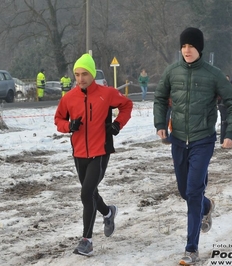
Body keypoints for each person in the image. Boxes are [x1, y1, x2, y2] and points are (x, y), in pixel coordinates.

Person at [153, 27, 232, 265]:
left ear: (199, 48)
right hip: (178, 140)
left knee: (192, 191)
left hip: (203, 140)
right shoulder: (172, 72)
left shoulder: (213, 75)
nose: (187, 50)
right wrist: (160, 123)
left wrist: (230, 133)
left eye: (191, 46)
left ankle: (191, 249)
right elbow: (160, 98)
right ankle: (206, 205)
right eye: (183, 46)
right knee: (185, 191)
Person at [54, 53, 133, 256]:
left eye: (85, 74)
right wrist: (69, 126)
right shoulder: (69, 97)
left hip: (100, 151)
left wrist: (117, 124)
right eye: (77, 74)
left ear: (92, 74)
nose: (80, 79)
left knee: (86, 193)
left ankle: (87, 241)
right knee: (91, 193)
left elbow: (127, 105)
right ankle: (108, 212)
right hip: (79, 153)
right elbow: (58, 120)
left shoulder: (106, 94)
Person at [218, 78, 232, 144]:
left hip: (222, 106)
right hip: (224, 106)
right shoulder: (228, 89)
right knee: (225, 123)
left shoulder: (225, 87)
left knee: (225, 123)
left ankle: (224, 138)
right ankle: (223, 139)